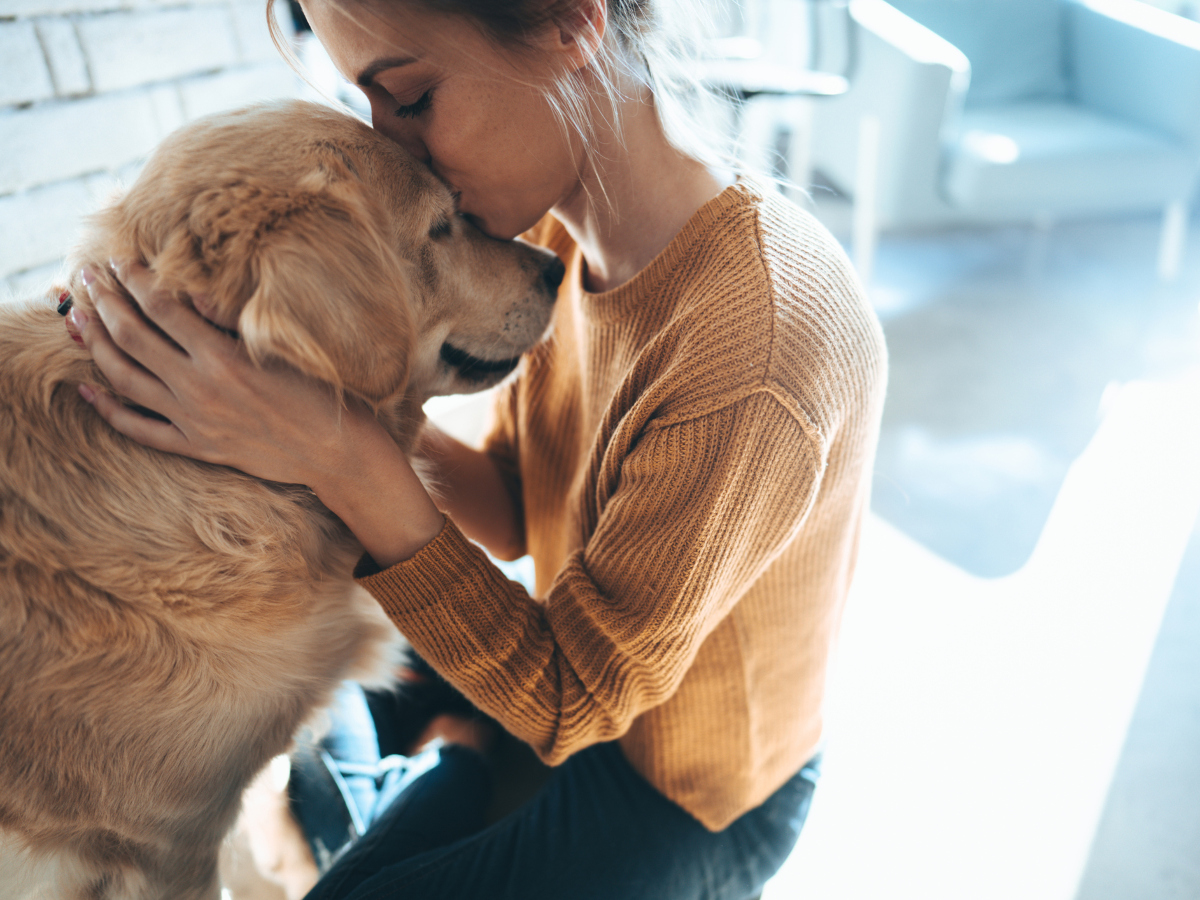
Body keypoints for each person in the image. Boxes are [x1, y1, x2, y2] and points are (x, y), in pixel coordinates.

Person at [68, 0, 887, 896]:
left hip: (682, 781)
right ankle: (431, 780)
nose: (394, 148)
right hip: (555, 654)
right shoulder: (545, 222)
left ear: (573, 27)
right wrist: (277, 404)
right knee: (274, 698)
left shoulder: (754, 351)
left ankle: (434, 781)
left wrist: (341, 456)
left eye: (411, 98)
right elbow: (508, 502)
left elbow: (574, 702)